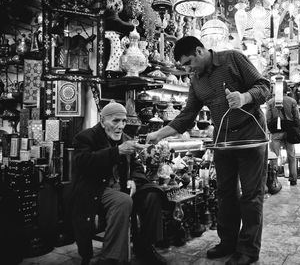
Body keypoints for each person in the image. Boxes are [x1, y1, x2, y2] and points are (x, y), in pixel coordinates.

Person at [146, 36, 270, 265]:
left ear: (200, 50)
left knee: (251, 196)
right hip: (222, 138)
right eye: (184, 65)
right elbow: (187, 116)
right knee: (225, 194)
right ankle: (228, 242)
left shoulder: (232, 58)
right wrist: (157, 135)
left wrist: (244, 97)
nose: (187, 68)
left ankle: (248, 251)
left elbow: (264, 87)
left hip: (251, 136)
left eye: (189, 62)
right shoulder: (195, 80)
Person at [71, 102, 168, 265]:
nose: (120, 126)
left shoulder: (126, 138)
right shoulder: (85, 137)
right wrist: (117, 151)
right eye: (115, 121)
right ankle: (111, 258)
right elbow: (83, 163)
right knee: (122, 201)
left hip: (123, 187)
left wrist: (134, 180)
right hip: (97, 189)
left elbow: (137, 166)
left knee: (153, 194)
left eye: (123, 121)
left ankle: (145, 247)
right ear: (102, 121)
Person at [266, 82, 300, 186]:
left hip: (276, 132)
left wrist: (271, 128)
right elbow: (297, 119)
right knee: (291, 155)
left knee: (275, 156)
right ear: (287, 90)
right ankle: (293, 179)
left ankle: (274, 179)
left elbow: (268, 119)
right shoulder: (292, 101)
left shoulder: (271, 102)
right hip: (289, 131)